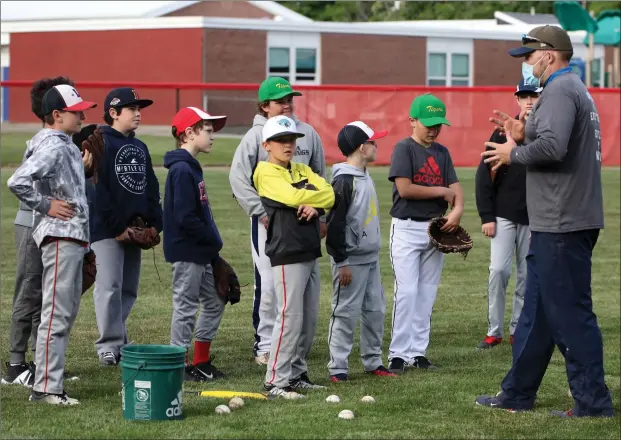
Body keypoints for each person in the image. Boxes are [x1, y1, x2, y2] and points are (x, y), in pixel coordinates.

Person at [476, 25, 614, 418]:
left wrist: (511, 154)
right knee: (536, 314)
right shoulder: (572, 89)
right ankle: (518, 393)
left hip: (562, 220)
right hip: (557, 221)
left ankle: (592, 402)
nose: (527, 62)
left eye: (530, 55)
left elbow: (552, 148)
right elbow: (552, 138)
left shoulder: (558, 90)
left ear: (549, 54)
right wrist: (522, 131)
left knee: (571, 315)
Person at [7, 83, 97, 405]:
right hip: (60, 236)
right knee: (56, 315)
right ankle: (46, 388)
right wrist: (46, 205)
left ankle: (50, 382)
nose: (83, 115)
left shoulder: (63, 144)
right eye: (77, 111)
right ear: (57, 115)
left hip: (71, 237)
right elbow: (17, 180)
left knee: (62, 313)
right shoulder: (55, 145)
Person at [229, 76, 326, 366]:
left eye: (290, 100)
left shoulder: (307, 133)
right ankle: (265, 344)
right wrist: (260, 212)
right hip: (267, 224)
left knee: (301, 288)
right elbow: (238, 179)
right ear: (264, 105)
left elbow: (320, 177)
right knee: (269, 285)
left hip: (303, 225)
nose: (287, 105)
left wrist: (320, 214)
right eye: (280, 101)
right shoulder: (254, 137)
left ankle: (292, 347)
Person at [252, 115, 335, 399]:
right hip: (287, 251)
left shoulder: (301, 168)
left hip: (310, 248)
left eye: (292, 140)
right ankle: (275, 380)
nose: (288, 145)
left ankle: (297, 374)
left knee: (308, 319)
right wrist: (310, 196)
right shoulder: (264, 172)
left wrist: (311, 200)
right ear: (267, 144)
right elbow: (290, 197)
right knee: (289, 317)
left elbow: (330, 194)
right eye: (281, 140)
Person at [386, 94, 464, 374]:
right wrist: (442, 192)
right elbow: (405, 188)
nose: (433, 129)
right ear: (413, 121)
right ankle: (398, 354)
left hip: (435, 229)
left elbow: (456, 187)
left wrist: (456, 212)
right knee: (406, 292)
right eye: (428, 123)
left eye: (438, 124)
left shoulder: (441, 153)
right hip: (406, 228)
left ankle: (417, 352)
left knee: (426, 293)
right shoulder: (403, 148)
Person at [90, 87, 163, 366]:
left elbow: (151, 187)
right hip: (107, 229)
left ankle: (118, 338)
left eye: (139, 108)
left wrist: (156, 222)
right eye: (132, 109)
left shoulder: (139, 146)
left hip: (136, 227)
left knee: (128, 289)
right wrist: (116, 226)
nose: (138, 113)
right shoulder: (100, 143)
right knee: (109, 287)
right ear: (113, 113)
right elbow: (99, 191)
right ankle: (108, 345)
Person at [326, 121, 396, 382]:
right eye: (372, 142)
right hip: (350, 260)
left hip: (370, 257)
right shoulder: (344, 180)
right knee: (345, 311)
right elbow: (335, 224)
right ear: (360, 147)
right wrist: (341, 260)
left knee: (375, 309)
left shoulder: (364, 175)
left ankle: (373, 361)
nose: (376, 146)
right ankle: (338, 367)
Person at [474, 80, 541, 350]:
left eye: (534, 95)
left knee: (527, 275)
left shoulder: (546, 133)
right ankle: (494, 330)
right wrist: (486, 216)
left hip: (535, 217)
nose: (528, 101)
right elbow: (483, 177)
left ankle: (517, 329)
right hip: (503, 214)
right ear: (516, 99)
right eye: (523, 96)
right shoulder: (502, 132)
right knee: (499, 270)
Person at [163, 107, 228, 381]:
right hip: (188, 250)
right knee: (186, 306)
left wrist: (212, 251)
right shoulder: (181, 170)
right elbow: (185, 216)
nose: (213, 136)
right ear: (189, 133)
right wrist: (213, 240)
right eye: (209, 130)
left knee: (215, 300)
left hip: (201, 251)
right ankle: (178, 364)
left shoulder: (191, 168)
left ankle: (200, 361)